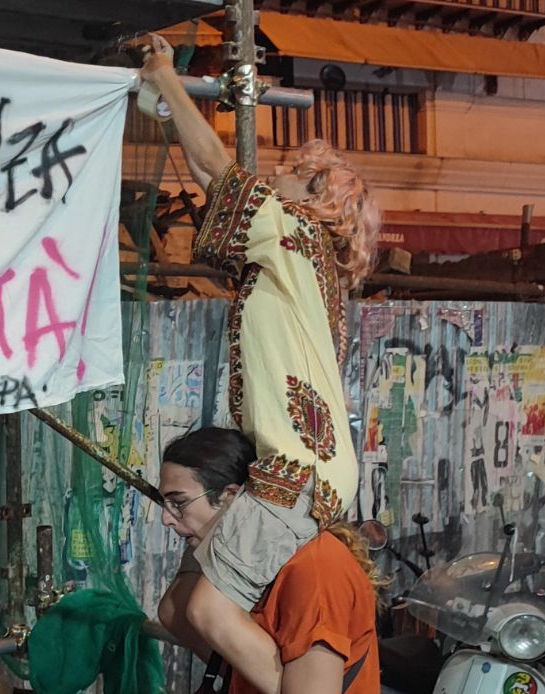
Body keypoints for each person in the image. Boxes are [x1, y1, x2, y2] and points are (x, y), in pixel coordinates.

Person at [140, 33, 381, 694]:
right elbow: (219, 181)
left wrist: (164, 76)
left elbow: (216, 170)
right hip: (297, 465)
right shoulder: (295, 263)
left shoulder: (296, 236)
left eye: (290, 171)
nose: (272, 172)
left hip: (295, 469)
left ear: (316, 198)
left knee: (204, 608)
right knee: (175, 609)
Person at [155, 427, 382, 694]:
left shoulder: (316, 568)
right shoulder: (241, 573)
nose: (166, 519)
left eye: (178, 503)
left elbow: (203, 612)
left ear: (230, 497)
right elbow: (175, 611)